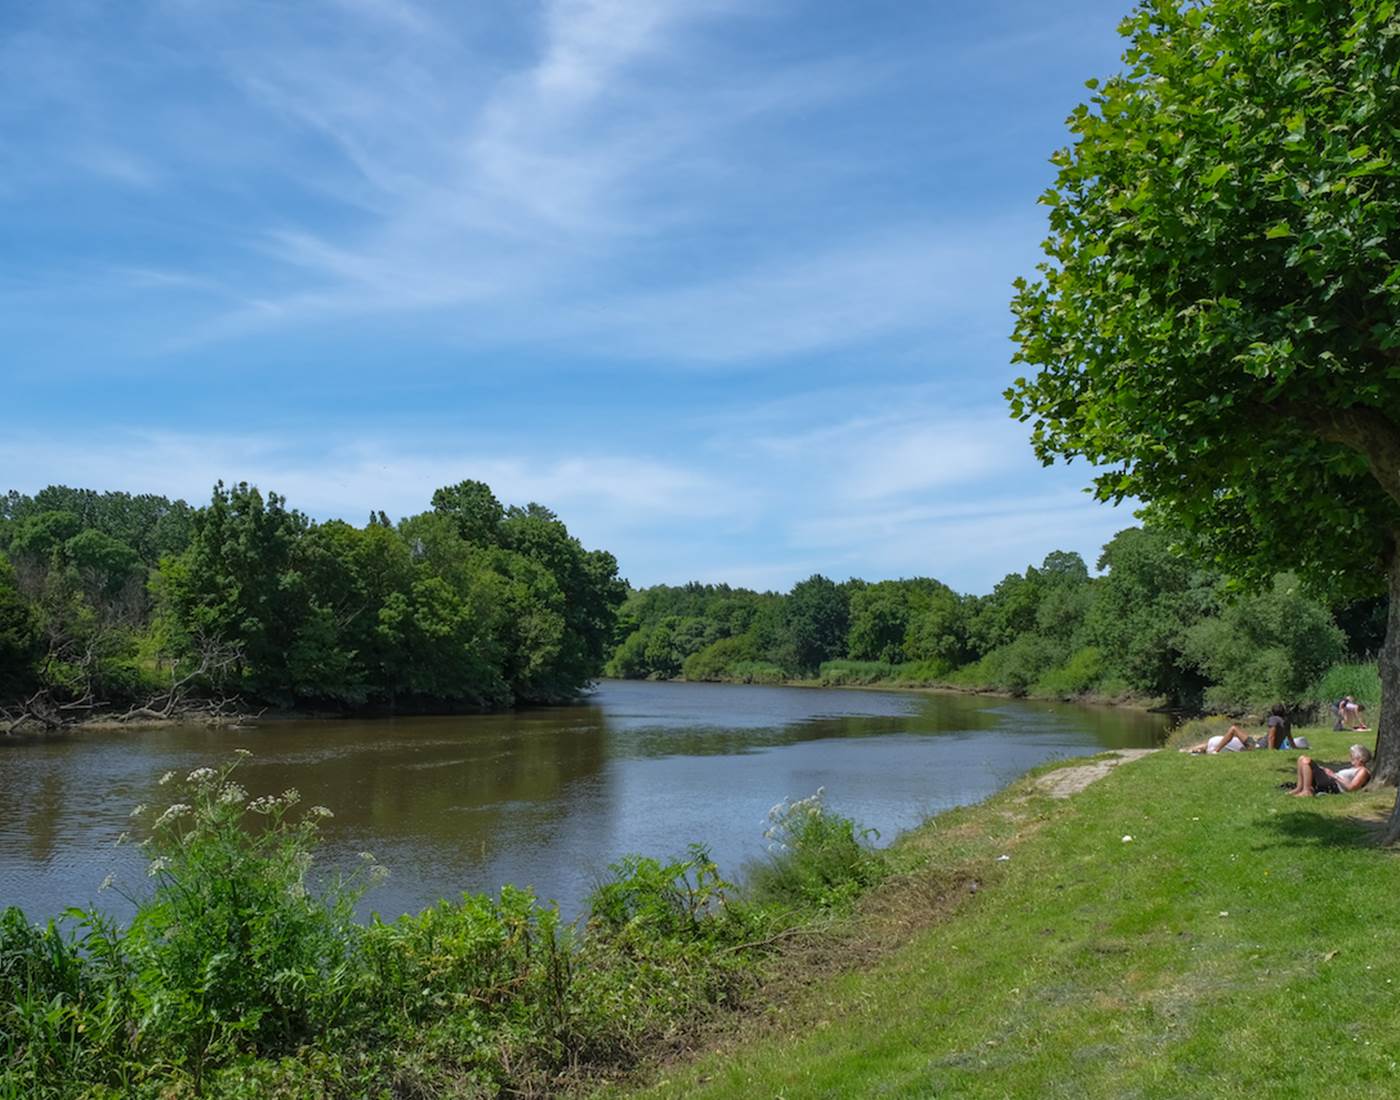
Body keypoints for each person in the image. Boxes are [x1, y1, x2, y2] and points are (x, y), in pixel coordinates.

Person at [1288, 744, 1372, 796]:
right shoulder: (1354, 768)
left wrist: (1333, 775)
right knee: (1301, 759)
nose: (1351, 759)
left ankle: (1306, 791)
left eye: (1353, 757)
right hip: (1330, 779)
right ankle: (1299, 788)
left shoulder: (1363, 771)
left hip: (1334, 785)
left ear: (1360, 759)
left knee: (1306, 760)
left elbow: (1351, 787)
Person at [1181, 725, 1259, 754]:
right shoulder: (1209, 749)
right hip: (1250, 745)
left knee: (1207, 746)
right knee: (1207, 746)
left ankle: (1189, 750)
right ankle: (1189, 750)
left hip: (1251, 745)